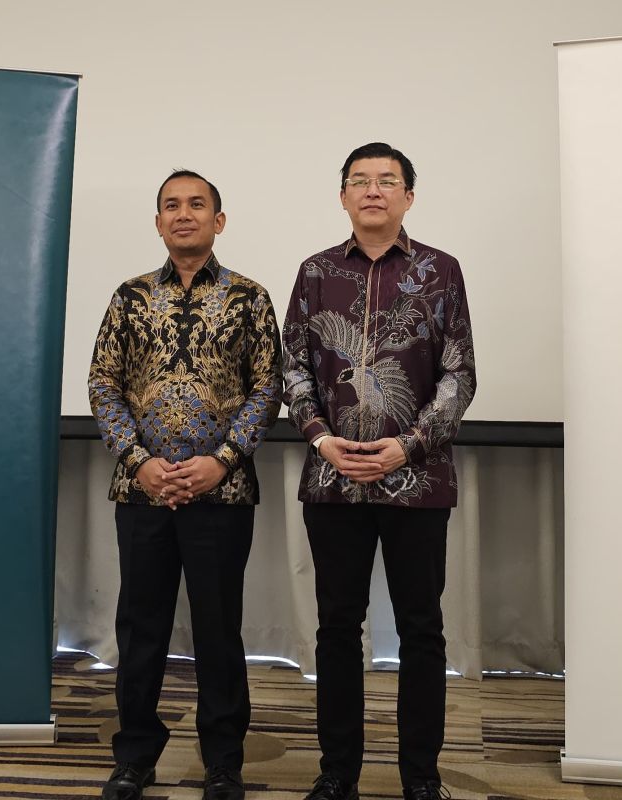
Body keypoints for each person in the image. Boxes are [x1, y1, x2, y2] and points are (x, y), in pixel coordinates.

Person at [282, 143, 476, 800]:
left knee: (422, 629)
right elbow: (293, 369)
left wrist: (409, 446)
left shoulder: (441, 271)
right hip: (332, 481)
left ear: (408, 197)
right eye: (359, 181)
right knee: (337, 629)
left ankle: (421, 776)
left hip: (418, 482)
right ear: (343, 196)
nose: (373, 190)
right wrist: (320, 438)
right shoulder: (315, 273)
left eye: (387, 181)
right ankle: (337, 772)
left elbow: (458, 373)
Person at [89, 170, 282, 800]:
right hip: (142, 492)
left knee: (218, 630)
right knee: (139, 628)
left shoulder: (250, 299)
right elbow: (103, 385)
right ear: (157, 222)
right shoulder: (130, 297)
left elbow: (267, 389)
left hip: (221, 493)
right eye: (170, 205)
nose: (183, 214)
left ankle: (223, 761)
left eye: (197, 204)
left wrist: (221, 460)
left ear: (218, 221)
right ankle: (134, 757)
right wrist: (138, 460)